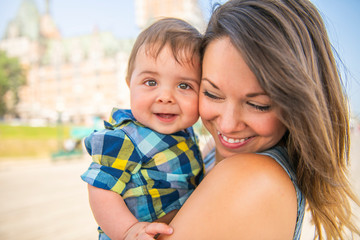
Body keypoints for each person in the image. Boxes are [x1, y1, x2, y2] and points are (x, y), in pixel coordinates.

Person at [157, 0, 360, 239]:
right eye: (212, 93)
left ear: (297, 107)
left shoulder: (251, 176)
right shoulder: (211, 156)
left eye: (258, 105)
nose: (228, 124)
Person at [81, 18, 203, 240]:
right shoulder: (125, 139)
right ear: (130, 84)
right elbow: (100, 189)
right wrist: (128, 230)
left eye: (184, 85)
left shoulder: (186, 132)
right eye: (151, 82)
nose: (165, 97)